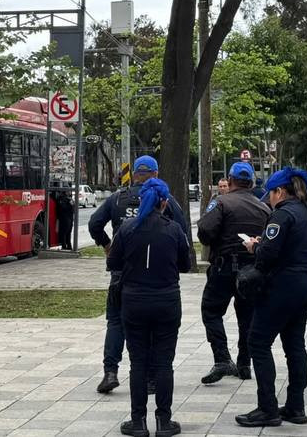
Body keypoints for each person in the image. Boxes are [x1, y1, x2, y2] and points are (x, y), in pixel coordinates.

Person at [89, 155, 187, 394]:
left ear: (134, 174)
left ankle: (110, 371)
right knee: (153, 326)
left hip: (122, 273)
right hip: (156, 275)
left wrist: (107, 245)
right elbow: (182, 231)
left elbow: (94, 223)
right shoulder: (165, 199)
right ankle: (152, 377)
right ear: (156, 174)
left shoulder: (117, 199)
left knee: (116, 322)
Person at [234, 167, 307, 427]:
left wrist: (255, 246)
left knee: (258, 342)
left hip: (283, 285)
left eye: (270, 194)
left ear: (280, 191)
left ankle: (267, 408)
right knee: (295, 345)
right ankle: (296, 406)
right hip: (305, 282)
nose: (269, 200)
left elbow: (267, 256)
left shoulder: (282, 214)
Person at [108, 177, 190, 437]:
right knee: (164, 363)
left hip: (134, 301)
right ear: (164, 203)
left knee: (138, 363)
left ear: (141, 199)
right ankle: (164, 421)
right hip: (166, 300)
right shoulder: (174, 230)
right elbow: (186, 265)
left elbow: (113, 263)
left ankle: (138, 421)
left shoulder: (127, 229)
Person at [197, 162, 270, 384]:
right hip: (252, 270)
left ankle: (222, 358)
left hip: (224, 267)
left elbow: (205, 232)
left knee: (211, 310)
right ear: (251, 182)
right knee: (247, 316)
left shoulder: (221, 202)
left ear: (229, 180)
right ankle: (244, 363)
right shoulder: (263, 208)